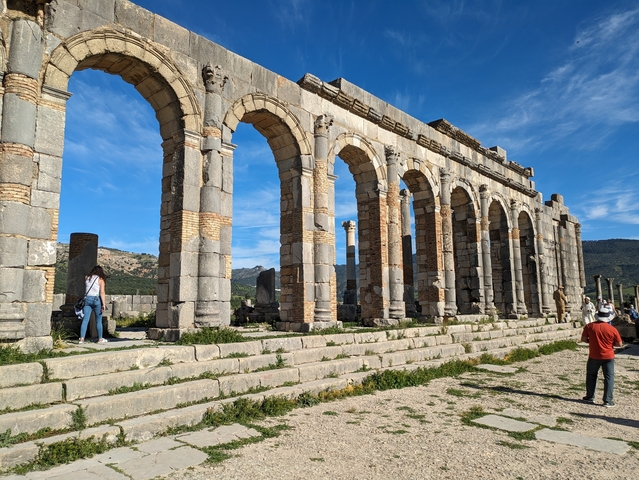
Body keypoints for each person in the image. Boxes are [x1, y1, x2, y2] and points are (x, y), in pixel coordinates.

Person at [581, 305, 622, 407]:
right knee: (609, 377)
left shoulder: (589, 326)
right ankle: (607, 400)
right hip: (608, 356)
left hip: (594, 355)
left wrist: (592, 342)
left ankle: (590, 396)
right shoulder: (612, 329)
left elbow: (584, 339)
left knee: (591, 375)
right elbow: (619, 344)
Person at [79, 265, 108, 344]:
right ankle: (100, 339)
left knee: (85, 320)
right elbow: (102, 292)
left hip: (87, 299)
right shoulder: (100, 279)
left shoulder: (86, 277)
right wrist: (104, 304)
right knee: (98, 321)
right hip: (96, 299)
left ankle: (81, 339)